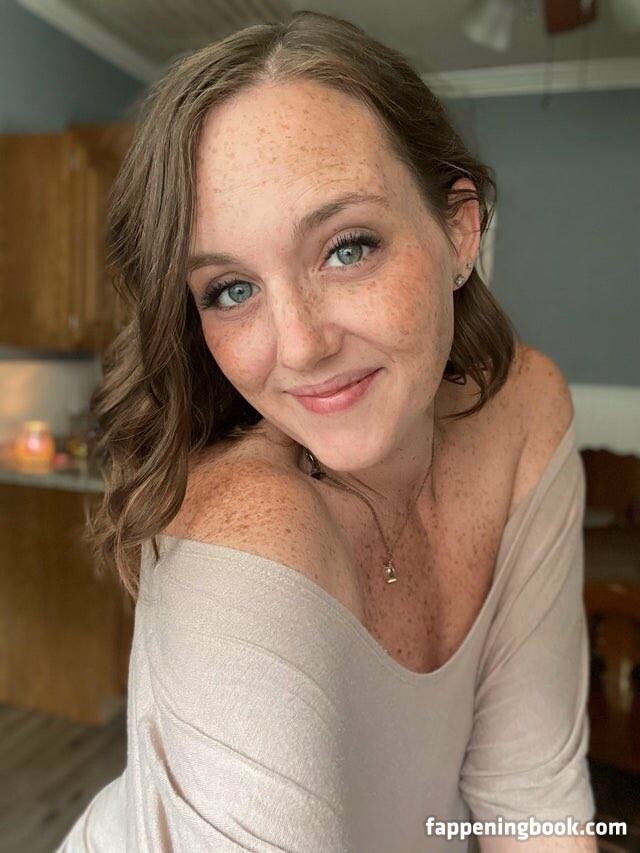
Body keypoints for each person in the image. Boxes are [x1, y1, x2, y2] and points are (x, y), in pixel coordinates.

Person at [57, 10, 597, 853]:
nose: (302, 345)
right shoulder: (246, 536)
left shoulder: (524, 411)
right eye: (231, 290)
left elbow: (529, 792)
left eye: (347, 247)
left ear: (459, 229)